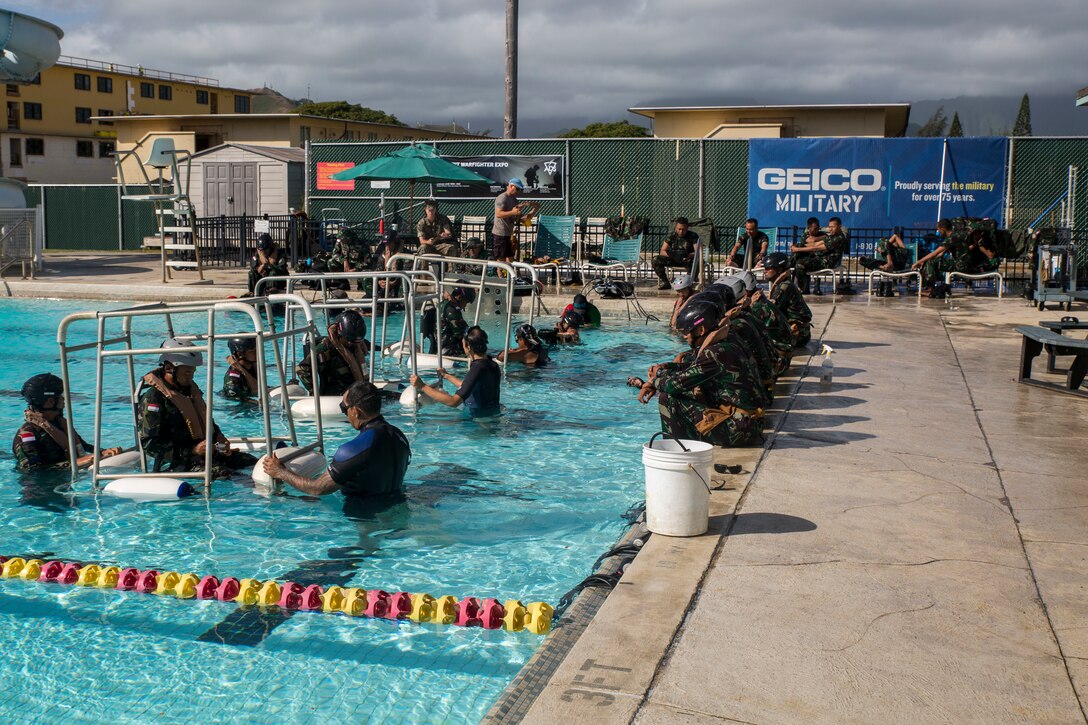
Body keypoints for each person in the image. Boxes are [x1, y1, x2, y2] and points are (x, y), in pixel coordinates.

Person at [637, 299, 765, 448]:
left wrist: (655, 379)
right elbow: (693, 367)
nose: (685, 337)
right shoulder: (725, 341)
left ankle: (675, 450)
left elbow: (673, 385)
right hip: (749, 423)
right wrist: (666, 367)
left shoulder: (714, 352)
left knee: (670, 398)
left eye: (686, 332)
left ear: (701, 330)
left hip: (741, 429)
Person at [262, 381, 410, 500]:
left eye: (344, 409)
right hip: (396, 505)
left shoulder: (353, 449)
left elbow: (317, 488)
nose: (346, 414)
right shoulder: (399, 436)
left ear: (356, 412)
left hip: (362, 519)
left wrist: (281, 472)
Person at [138, 339, 257, 474]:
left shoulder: (189, 390)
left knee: (253, 463)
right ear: (169, 368)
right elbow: (150, 444)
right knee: (227, 475)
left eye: (193, 372)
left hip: (204, 455)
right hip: (177, 463)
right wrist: (192, 451)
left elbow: (205, 420)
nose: (191, 377)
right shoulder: (154, 398)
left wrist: (218, 436)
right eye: (187, 372)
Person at [13, 373, 122, 471]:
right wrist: (73, 464)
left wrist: (102, 452)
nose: (64, 399)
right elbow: (32, 471)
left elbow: (83, 447)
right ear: (50, 401)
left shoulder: (59, 424)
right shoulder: (27, 435)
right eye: (60, 396)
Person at [410, 327, 501, 416]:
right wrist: (447, 376)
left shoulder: (477, 368)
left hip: (478, 423)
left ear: (468, 347)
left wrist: (422, 386)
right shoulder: (492, 365)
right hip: (492, 417)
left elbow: (453, 402)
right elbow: (470, 386)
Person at [296, 310, 370, 395]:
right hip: (335, 396)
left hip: (355, 391)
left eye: (354, 342)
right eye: (348, 340)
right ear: (339, 333)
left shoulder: (357, 344)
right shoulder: (326, 347)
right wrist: (314, 392)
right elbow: (302, 368)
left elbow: (370, 346)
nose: (350, 344)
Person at [763, 252, 812, 347]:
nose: (764, 271)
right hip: (798, 330)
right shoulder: (783, 283)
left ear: (779, 269)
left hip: (798, 334)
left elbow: (769, 310)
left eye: (768, 268)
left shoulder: (784, 287)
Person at [791, 216, 849, 295]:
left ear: (839, 227)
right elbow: (814, 244)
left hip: (827, 263)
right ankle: (802, 286)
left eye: (833, 227)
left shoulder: (838, 238)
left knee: (799, 264)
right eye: (829, 227)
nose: (830, 229)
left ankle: (803, 288)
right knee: (799, 256)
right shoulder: (832, 236)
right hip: (821, 259)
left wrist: (797, 249)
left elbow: (816, 248)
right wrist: (797, 247)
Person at [913, 218, 965, 293]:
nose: (939, 232)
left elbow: (935, 253)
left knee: (931, 261)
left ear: (943, 229)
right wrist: (924, 261)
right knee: (931, 260)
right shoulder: (956, 235)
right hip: (961, 263)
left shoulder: (951, 239)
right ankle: (931, 286)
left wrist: (919, 262)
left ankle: (930, 287)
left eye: (939, 230)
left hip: (960, 265)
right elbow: (940, 254)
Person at [652, 217, 699, 290]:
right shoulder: (672, 235)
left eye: (683, 229)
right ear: (676, 227)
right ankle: (665, 282)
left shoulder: (693, 236)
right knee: (656, 259)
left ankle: (688, 283)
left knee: (697, 261)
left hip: (687, 259)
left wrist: (688, 255)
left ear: (687, 228)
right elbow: (662, 251)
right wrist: (673, 255)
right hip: (674, 259)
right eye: (679, 229)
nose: (681, 231)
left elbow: (697, 252)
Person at [860, 232, 912, 297]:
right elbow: (887, 246)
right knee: (862, 260)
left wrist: (885, 247)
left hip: (898, 263)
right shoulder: (887, 251)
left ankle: (889, 264)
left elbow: (895, 236)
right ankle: (883, 267)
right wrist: (882, 251)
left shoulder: (902, 250)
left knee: (882, 240)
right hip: (887, 264)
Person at [492, 178, 526, 264]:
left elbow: (514, 216)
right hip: (500, 233)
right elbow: (498, 214)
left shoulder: (514, 200)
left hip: (509, 233)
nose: (518, 191)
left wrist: (520, 215)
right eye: (517, 189)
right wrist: (513, 212)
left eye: (520, 190)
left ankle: (511, 275)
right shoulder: (502, 198)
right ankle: (500, 276)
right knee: (501, 258)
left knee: (510, 257)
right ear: (511, 186)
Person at [438, 286, 475, 356]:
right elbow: (460, 331)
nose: (465, 306)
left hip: (447, 343)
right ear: (460, 297)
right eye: (466, 302)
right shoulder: (451, 309)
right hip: (449, 349)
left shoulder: (449, 305)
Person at [223, 337, 260, 401]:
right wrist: (241, 369)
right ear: (240, 354)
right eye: (252, 351)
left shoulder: (252, 366)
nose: (257, 353)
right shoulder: (233, 378)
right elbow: (256, 391)